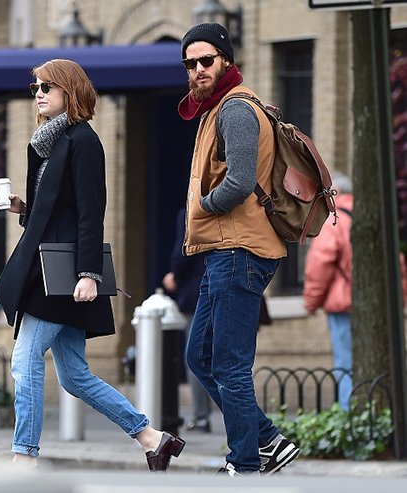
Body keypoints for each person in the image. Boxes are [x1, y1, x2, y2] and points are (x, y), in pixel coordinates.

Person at [0, 59, 185, 471]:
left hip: (62, 278)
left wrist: (88, 274)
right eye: (36, 87)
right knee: (75, 376)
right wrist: (22, 207)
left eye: (48, 86)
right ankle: (152, 437)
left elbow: (89, 212)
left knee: (24, 361)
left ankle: (23, 458)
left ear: (71, 91)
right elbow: (58, 212)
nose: (39, 93)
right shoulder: (49, 143)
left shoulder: (84, 141)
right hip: (49, 271)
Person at [178, 23, 299, 476]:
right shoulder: (216, 110)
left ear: (225, 60)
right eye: (189, 63)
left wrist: (203, 207)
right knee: (200, 356)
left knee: (229, 364)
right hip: (224, 251)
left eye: (205, 60)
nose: (197, 70)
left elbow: (240, 181)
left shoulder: (235, 110)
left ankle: (245, 462)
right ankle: (267, 439)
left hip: (239, 250)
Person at [303, 171, 353, 410]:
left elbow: (319, 264)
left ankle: (350, 417)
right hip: (374, 307)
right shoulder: (372, 215)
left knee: (346, 363)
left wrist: (311, 302)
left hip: (343, 305)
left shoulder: (335, 220)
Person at [162, 207, 211, 433]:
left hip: (196, 292)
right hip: (226, 289)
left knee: (195, 357)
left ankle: (201, 417)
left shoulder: (192, 209)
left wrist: (175, 275)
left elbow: (185, 249)